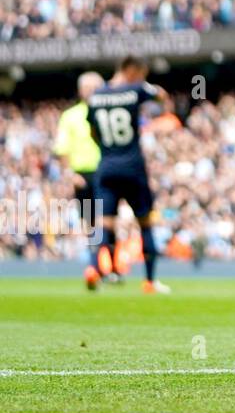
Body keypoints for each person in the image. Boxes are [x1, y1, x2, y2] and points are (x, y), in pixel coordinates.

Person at [86, 56, 173, 294]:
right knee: (145, 223)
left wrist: (107, 149)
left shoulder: (96, 96)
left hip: (106, 166)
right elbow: (162, 97)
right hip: (133, 166)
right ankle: (150, 281)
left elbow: (93, 132)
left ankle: (93, 268)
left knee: (102, 223)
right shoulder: (136, 90)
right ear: (132, 70)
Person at [54, 71, 106, 289]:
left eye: (95, 86)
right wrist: (70, 174)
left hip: (106, 172)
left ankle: (102, 265)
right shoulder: (71, 116)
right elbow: (62, 149)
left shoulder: (106, 111)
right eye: (87, 87)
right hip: (83, 175)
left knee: (107, 220)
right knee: (91, 223)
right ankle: (96, 266)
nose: (91, 91)